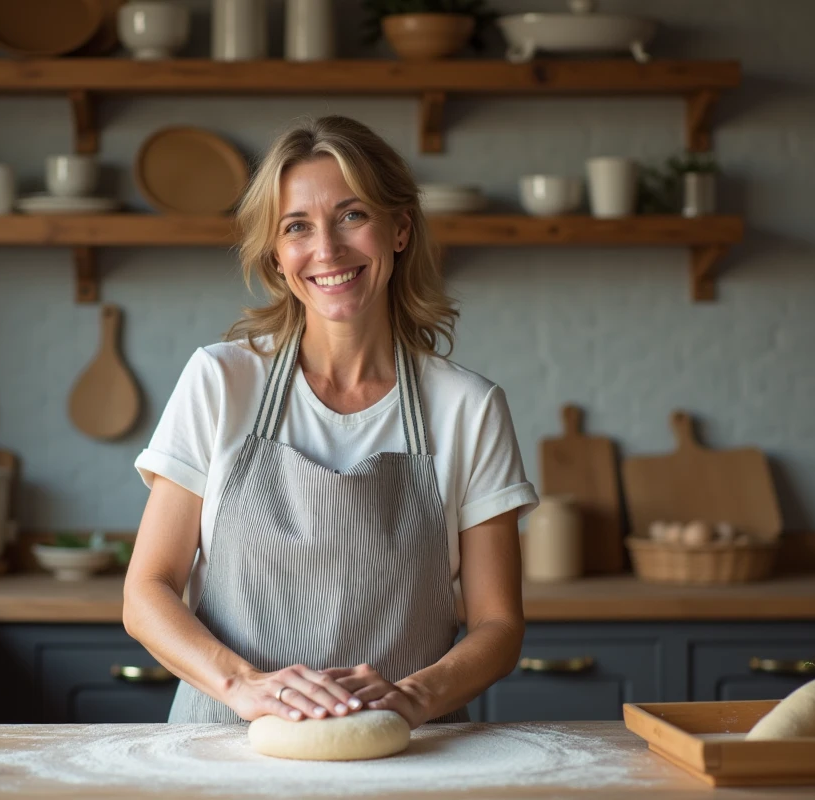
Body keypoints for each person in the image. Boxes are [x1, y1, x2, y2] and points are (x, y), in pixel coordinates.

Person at [124, 115, 539, 727]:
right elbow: (146, 592)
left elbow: (498, 624)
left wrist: (416, 697)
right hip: (224, 747)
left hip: (405, 751)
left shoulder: (468, 408)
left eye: (352, 216)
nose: (327, 249)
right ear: (276, 253)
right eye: (297, 226)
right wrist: (244, 685)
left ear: (400, 229)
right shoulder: (221, 382)